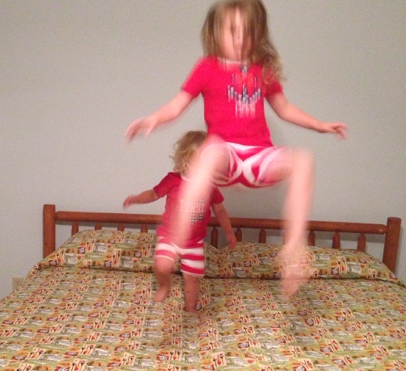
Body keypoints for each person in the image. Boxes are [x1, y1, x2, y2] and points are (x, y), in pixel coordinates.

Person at [125, 0, 347, 296]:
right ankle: (180, 233)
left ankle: (294, 248)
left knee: (303, 159)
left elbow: (284, 108)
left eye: (248, 31)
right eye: (232, 30)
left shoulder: (263, 69)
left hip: (258, 158)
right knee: (211, 149)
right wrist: (154, 118)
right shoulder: (206, 67)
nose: (240, 38)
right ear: (215, 32)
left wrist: (319, 125)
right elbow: (177, 105)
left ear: (259, 34)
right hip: (225, 158)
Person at [123, 130, 237, 313]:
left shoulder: (210, 186)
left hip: (194, 242)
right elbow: (153, 194)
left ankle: (190, 308)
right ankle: (164, 285)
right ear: (185, 159)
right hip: (170, 237)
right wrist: (136, 198)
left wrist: (229, 232)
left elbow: (220, 210)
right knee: (162, 266)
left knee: (192, 278)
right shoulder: (173, 180)